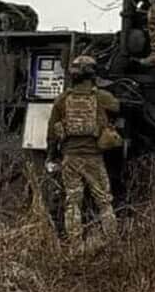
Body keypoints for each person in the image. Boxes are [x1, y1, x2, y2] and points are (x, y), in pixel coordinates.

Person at [47, 55, 120, 243]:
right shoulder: (101, 97)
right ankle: (112, 241)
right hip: (93, 157)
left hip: (70, 158)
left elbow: (52, 133)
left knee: (73, 202)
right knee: (104, 202)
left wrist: (51, 157)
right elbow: (117, 106)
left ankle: (75, 244)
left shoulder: (62, 100)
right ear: (92, 75)